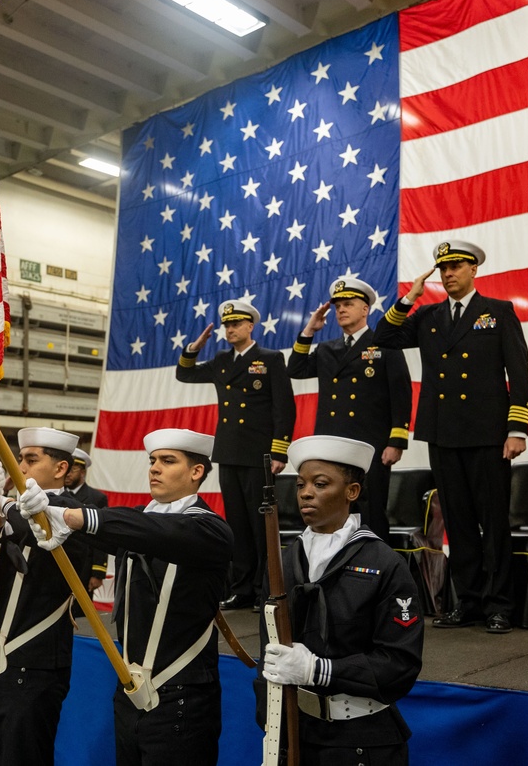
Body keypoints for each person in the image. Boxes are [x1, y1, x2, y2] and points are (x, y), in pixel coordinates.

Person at [19, 428, 234, 766]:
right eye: (152, 461)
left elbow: (156, 532)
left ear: (197, 472)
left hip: (182, 698)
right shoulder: (139, 520)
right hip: (131, 693)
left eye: (168, 461)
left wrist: (74, 517)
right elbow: (121, 525)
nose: (154, 468)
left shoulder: (209, 529)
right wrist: (47, 505)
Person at [375, 240, 528, 634]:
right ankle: (470, 602)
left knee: (492, 522)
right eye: (443, 268)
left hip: (488, 433)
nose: (448, 274)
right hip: (443, 432)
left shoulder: (497, 312)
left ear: (474, 269)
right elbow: (383, 338)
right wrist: (408, 297)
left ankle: (499, 606)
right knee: (458, 524)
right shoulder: (427, 316)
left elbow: (520, 373)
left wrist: (517, 429)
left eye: (457, 266)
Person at [256, 435, 423, 765]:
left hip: (362, 740)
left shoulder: (384, 563)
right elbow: (270, 655)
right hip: (298, 734)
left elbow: (399, 664)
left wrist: (319, 671)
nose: (305, 492)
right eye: (301, 483)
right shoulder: (284, 562)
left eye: (320, 484)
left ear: (352, 492)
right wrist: (272, 729)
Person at [0, 427, 86, 766]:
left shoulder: (70, 513)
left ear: (61, 469)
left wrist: (0, 502)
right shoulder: (17, 511)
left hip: (33, 664)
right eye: (20, 458)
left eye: (30, 459)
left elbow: (35, 528)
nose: (19, 466)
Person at [177, 297, 296, 610]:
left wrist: (278, 451)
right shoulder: (220, 361)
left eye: (235, 324)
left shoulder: (269, 358)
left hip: (259, 454)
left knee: (261, 527)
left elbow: (284, 407)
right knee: (238, 525)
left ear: (249, 326)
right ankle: (242, 588)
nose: (229, 329)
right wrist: (193, 348)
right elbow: (185, 375)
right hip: (229, 452)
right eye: (226, 325)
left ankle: (264, 588)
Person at [287, 276, 412, 540]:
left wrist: (396, 440)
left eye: (348, 304)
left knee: (370, 510)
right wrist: (310, 330)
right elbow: (295, 369)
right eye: (338, 306)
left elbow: (401, 392)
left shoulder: (384, 343)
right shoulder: (326, 349)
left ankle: (375, 573)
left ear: (365, 309)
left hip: (370, 444)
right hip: (332, 445)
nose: (341, 310)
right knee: (332, 511)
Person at [64, 447, 109, 598]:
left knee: (81, 613)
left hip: (84, 566)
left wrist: (98, 572)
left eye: (73, 469)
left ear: (83, 472)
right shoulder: (56, 494)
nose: (68, 473)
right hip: (60, 562)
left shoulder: (96, 498)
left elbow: (101, 536)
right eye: (66, 468)